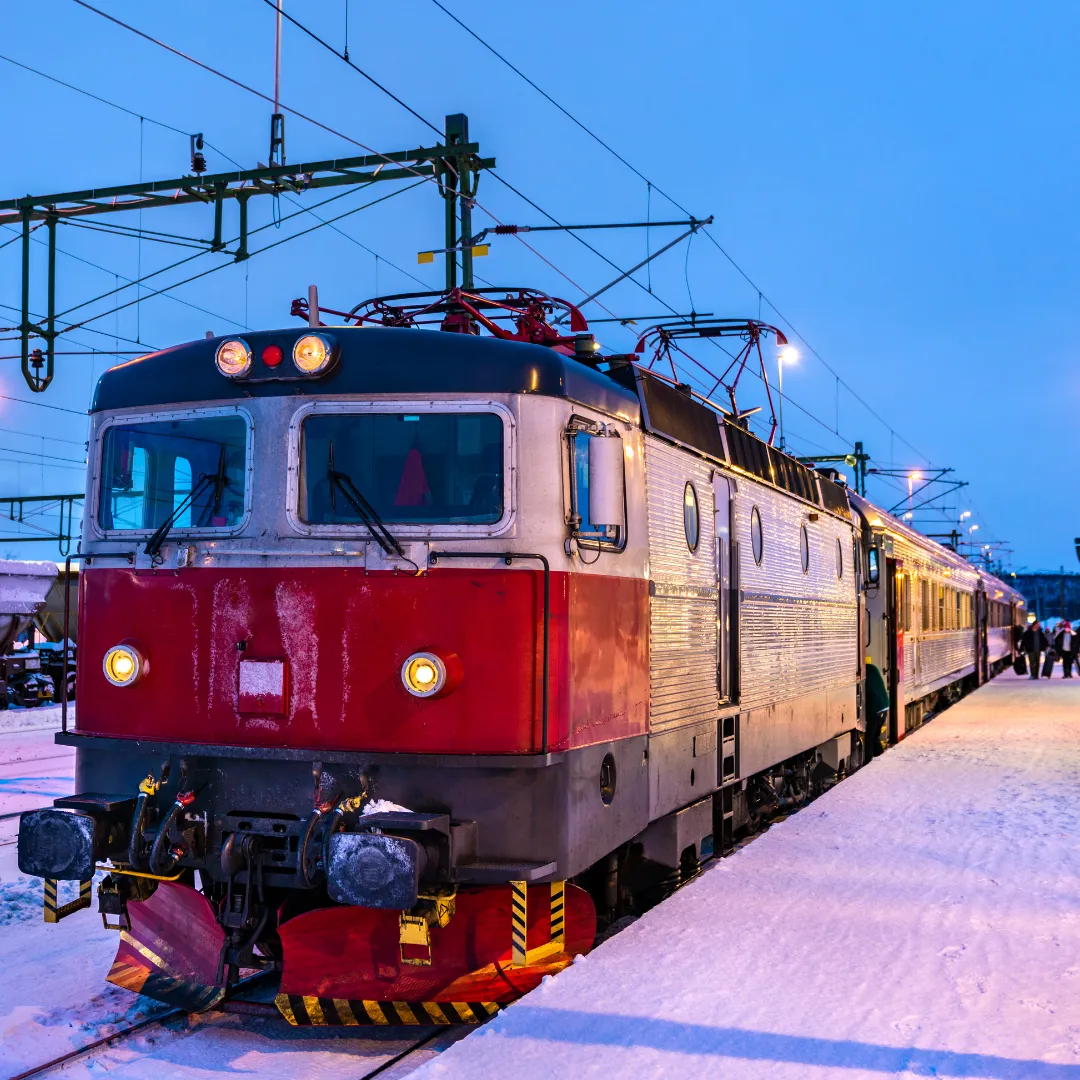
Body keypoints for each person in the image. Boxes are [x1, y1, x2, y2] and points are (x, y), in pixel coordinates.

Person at [864, 660, 890, 756]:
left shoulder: (863, 673)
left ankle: (868, 761)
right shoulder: (872, 667)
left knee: (869, 738)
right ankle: (879, 755)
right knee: (875, 736)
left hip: (875, 708)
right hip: (884, 706)